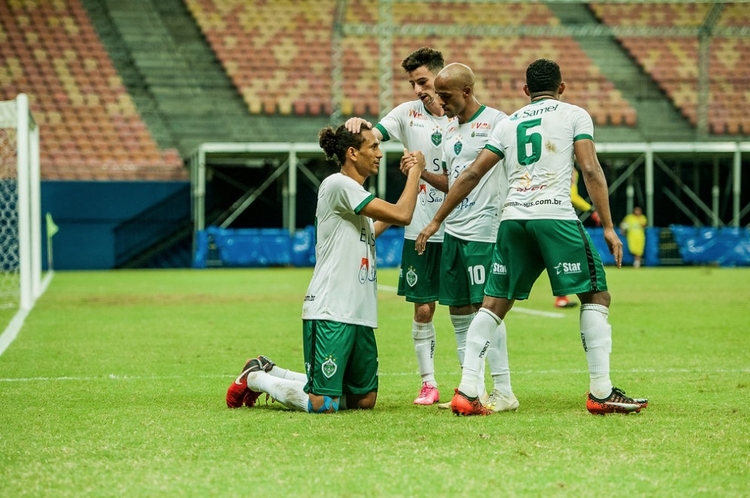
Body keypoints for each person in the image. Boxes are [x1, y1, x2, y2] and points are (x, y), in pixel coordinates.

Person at [416, 58, 648, 416]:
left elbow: (472, 174)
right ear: (562, 87)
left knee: (492, 304)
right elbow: (589, 168)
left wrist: (436, 220)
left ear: (525, 91)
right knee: (596, 293)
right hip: (554, 215)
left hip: (512, 221)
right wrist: (608, 226)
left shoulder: (508, 124)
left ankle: (468, 390)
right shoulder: (574, 115)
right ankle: (601, 392)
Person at [226, 123, 426, 413]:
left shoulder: (352, 193)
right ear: (352, 153)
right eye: (373, 147)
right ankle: (256, 378)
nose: (380, 154)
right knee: (324, 403)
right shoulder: (338, 184)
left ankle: (273, 370)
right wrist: (416, 173)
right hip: (331, 308)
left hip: (360, 311)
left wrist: (414, 190)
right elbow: (402, 215)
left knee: (363, 400)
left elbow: (378, 225)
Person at [344, 47, 451, 406]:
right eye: (413, 83)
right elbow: (374, 133)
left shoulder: (463, 117)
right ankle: (429, 382)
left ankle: (472, 379)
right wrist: (358, 124)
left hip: (462, 226)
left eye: (423, 81)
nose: (418, 89)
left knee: (470, 306)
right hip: (419, 227)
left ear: (441, 75)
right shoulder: (407, 113)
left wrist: (421, 170)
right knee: (423, 308)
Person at [412, 62, 515, 412]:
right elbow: (453, 180)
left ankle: (503, 389)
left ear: (467, 91)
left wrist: (433, 222)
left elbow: (479, 174)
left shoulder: (499, 123)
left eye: (446, 96)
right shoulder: (450, 129)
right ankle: (470, 387)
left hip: (484, 233)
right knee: (458, 310)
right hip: (455, 230)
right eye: (438, 97)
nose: (440, 103)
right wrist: (422, 172)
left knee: (487, 310)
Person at [555, 169, 601, 308]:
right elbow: (572, 196)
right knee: (567, 254)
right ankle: (588, 293)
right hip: (557, 217)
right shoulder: (570, 170)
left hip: (527, 213)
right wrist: (591, 210)